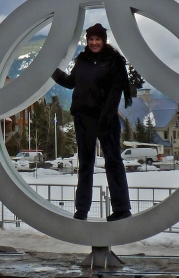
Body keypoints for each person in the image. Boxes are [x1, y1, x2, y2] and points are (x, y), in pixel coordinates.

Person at [51, 23, 133, 221]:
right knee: (86, 164)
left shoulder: (114, 61)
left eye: (98, 39)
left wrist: (106, 116)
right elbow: (71, 82)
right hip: (83, 117)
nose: (94, 43)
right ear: (87, 41)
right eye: (91, 39)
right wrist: (52, 70)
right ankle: (82, 209)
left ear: (104, 40)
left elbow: (115, 93)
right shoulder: (82, 60)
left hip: (107, 118)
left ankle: (122, 209)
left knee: (113, 162)